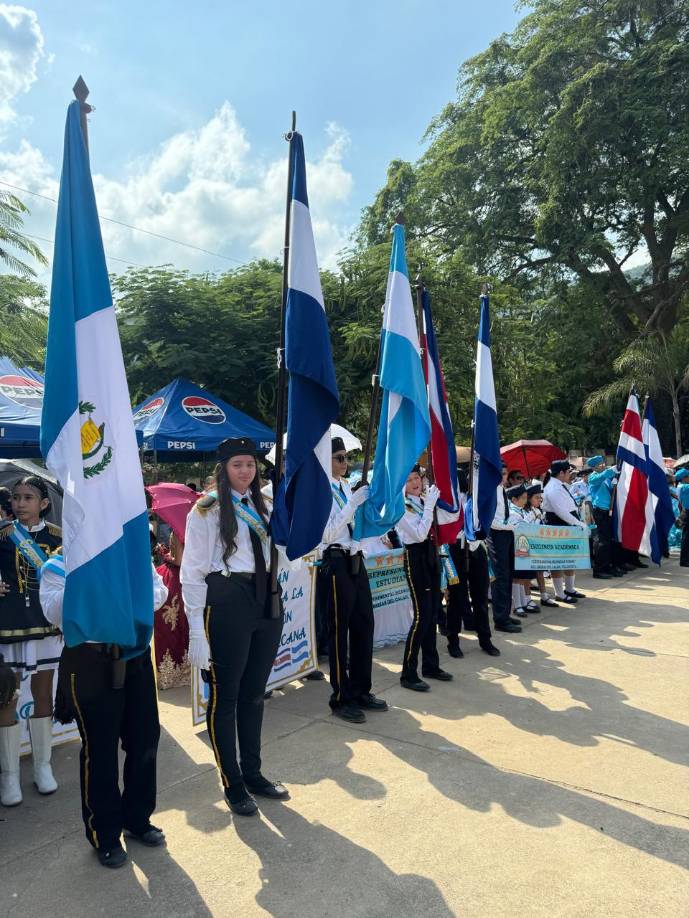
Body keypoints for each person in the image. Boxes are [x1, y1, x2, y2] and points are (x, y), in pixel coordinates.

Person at [181, 437, 288, 817]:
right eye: (237, 465)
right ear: (223, 469)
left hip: (266, 598)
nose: (246, 471)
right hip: (227, 600)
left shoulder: (268, 504)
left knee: (255, 693)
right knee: (226, 697)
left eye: (250, 464)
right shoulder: (207, 510)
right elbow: (192, 570)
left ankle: (254, 772)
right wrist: (196, 627)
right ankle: (233, 781)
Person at [40, 554, 168, 868]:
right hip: (89, 662)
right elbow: (54, 613)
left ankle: (137, 819)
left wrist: (123, 595)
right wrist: (91, 581)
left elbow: (158, 592)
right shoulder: (59, 565)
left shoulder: (130, 552)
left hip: (135, 655)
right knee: (100, 751)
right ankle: (105, 834)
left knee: (144, 740)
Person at [316, 436, 388, 724]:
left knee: (364, 624)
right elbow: (327, 535)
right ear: (326, 460)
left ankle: (361, 690)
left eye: (346, 458)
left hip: (356, 559)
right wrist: (352, 506)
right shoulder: (320, 491)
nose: (345, 464)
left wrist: (361, 508)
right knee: (338, 631)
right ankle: (340, 696)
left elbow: (356, 525)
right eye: (339, 458)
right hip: (335, 561)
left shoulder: (346, 487)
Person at [0, 476, 62, 807]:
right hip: (8, 626)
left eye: (28, 497)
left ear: (44, 503)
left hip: (46, 626)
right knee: (8, 697)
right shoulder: (2, 534)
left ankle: (42, 766)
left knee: (42, 694)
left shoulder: (59, 538)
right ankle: (9, 776)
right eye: (17, 498)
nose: (20, 503)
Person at [396, 467, 452, 692]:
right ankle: (408, 673)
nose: (414, 483)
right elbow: (418, 534)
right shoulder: (401, 507)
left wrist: (431, 503)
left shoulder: (422, 501)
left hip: (430, 555)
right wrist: (430, 505)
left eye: (416, 478)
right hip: (415, 558)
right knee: (421, 616)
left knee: (432, 613)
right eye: (408, 480)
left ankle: (431, 665)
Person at [445, 466, 500, 659]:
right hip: (456, 550)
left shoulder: (473, 501)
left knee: (480, 597)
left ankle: (485, 638)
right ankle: (453, 640)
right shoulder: (449, 502)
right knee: (456, 598)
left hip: (476, 549)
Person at [542, 460, 588, 604]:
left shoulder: (560, 485)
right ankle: (559, 593)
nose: (570, 474)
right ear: (561, 473)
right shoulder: (553, 488)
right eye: (568, 471)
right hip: (558, 525)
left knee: (569, 558)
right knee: (557, 561)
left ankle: (569, 588)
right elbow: (561, 511)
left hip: (566, 525)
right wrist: (577, 523)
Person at [487, 464, 522, 633]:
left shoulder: (502, 489)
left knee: (508, 575)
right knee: (500, 576)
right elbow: (491, 520)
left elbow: (504, 514)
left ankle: (505, 614)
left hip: (506, 534)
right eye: (500, 473)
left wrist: (513, 519)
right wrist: (510, 527)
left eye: (505, 473)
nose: (503, 476)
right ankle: (500, 619)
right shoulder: (491, 490)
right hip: (496, 535)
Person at [154, 532, 191, 689]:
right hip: (179, 580)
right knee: (174, 626)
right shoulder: (181, 529)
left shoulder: (179, 527)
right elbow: (181, 560)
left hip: (177, 576)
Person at [587, 456, 622, 579]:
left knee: (609, 541)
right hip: (599, 511)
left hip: (608, 511)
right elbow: (599, 479)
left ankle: (608, 566)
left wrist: (615, 482)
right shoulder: (593, 476)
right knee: (601, 541)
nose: (602, 466)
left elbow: (612, 490)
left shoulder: (606, 477)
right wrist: (611, 471)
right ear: (594, 467)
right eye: (599, 464)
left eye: (603, 463)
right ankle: (599, 569)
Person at [525, 483, 559, 608]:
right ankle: (527, 599)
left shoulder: (539, 510)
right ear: (529, 499)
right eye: (536, 497)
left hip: (539, 545)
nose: (540, 500)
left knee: (540, 570)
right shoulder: (525, 511)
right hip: (528, 545)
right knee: (527, 574)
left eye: (540, 497)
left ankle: (544, 596)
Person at [506, 484, 533, 618]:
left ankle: (522, 602)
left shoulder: (523, 510)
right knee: (516, 578)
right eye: (522, 498)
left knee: (522, 577)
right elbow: (518, 527)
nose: (525, 501)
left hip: (523, 546)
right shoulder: (511, 512)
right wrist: (530, 518)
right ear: (514, 499)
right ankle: (517, 605)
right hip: (515, 547)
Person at [675, 468, 689, 567]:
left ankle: (685, 559)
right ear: (684, 478)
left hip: (685, 512)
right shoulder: (684, 487)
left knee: (686, 537)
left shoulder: (680, 486)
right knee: (686, 537)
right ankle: (684, 560)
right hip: (687, 512)